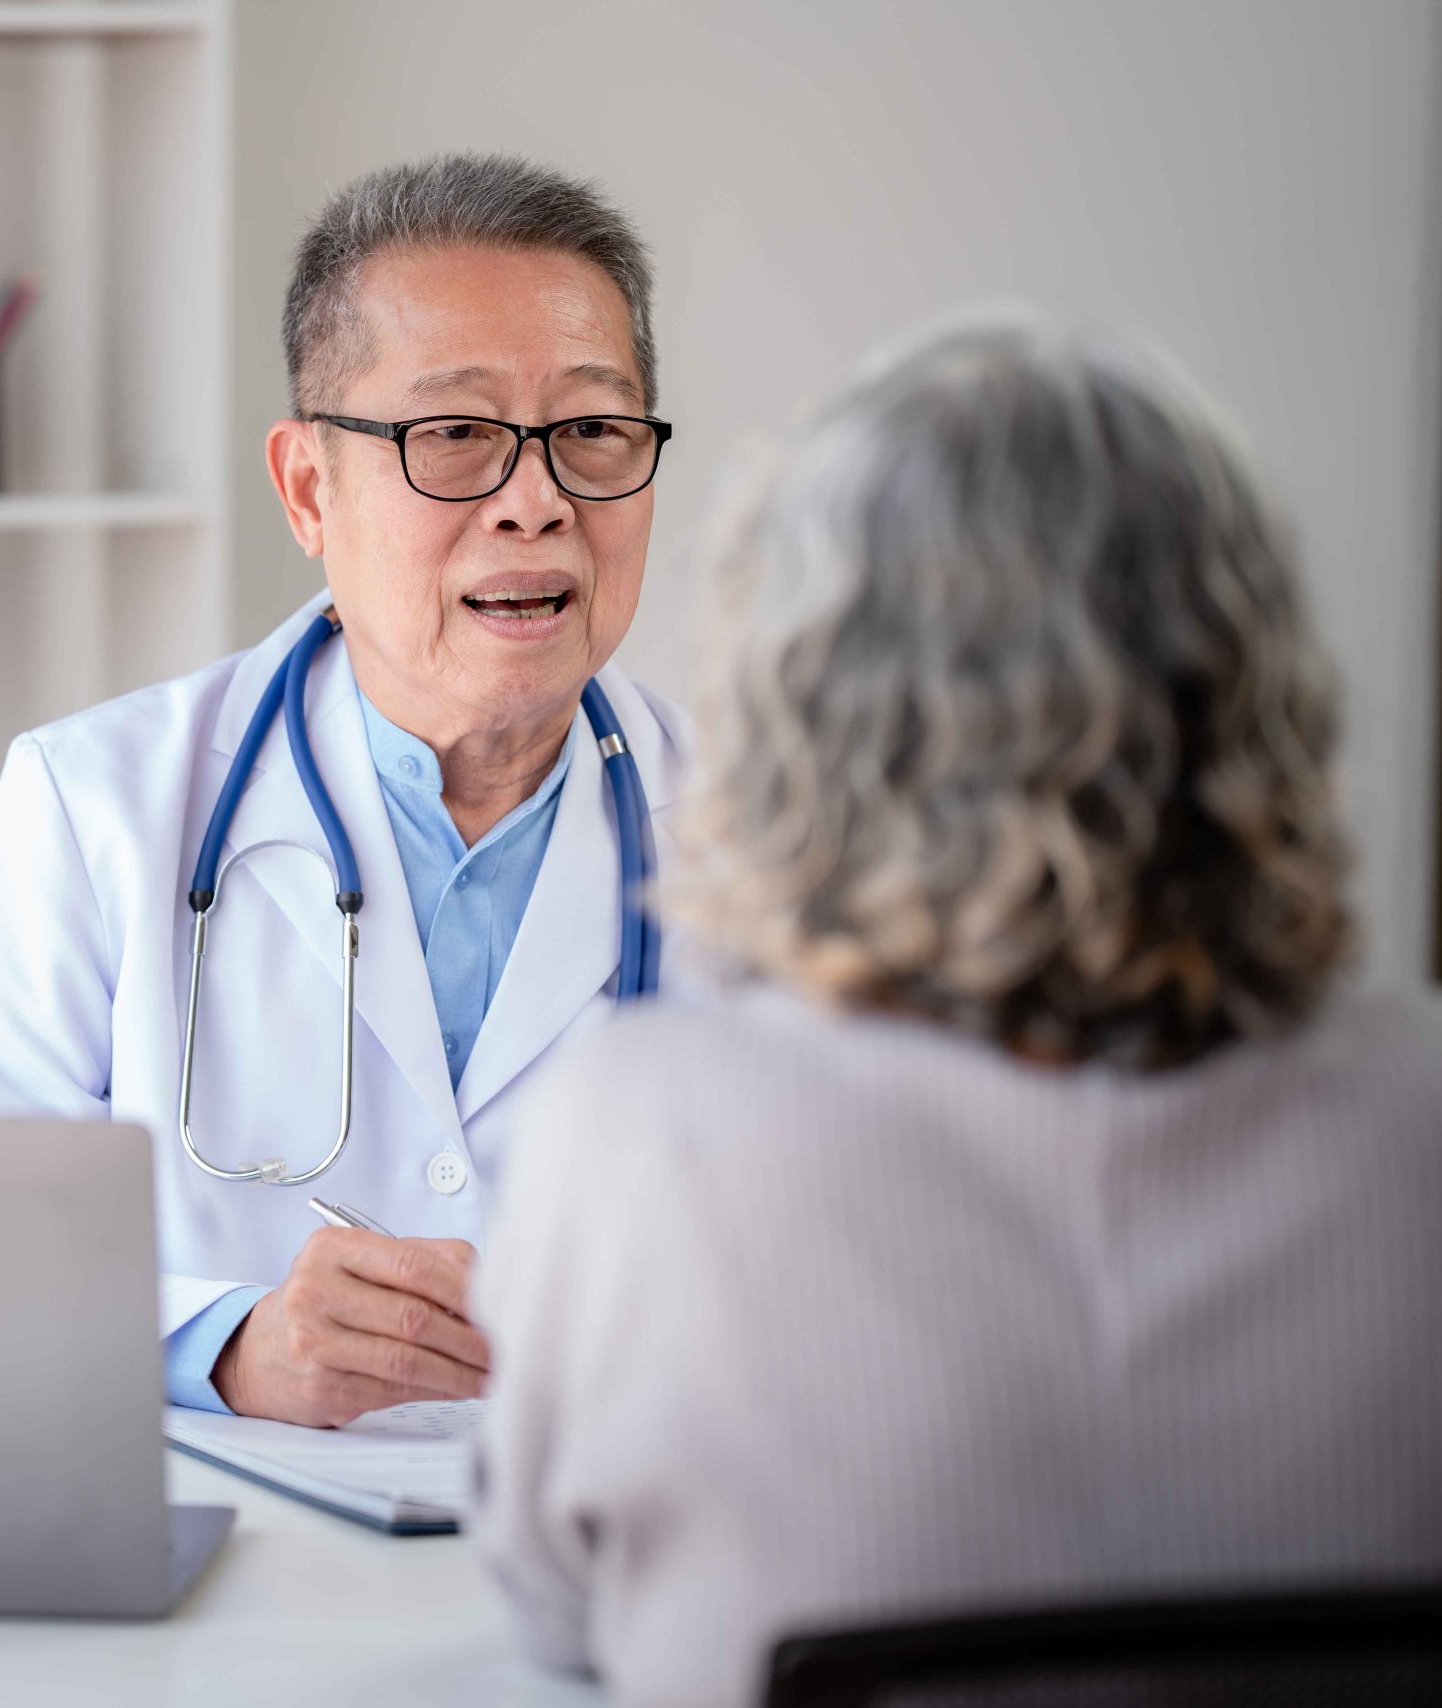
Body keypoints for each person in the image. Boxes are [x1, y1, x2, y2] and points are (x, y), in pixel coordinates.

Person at [470, 316, 1442, 1705]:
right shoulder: (1419, 1116)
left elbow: (555, 1614)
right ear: (1249, 675)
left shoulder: (641, 1130)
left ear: (806, 703)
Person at [0, 153, 691, 1427]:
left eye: (592, 431)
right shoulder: (93, 804)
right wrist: (223, 1347)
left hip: (631, 1520)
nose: (536, 503)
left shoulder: (778, 840)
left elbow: (877, 1268)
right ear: (309, 489)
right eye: (454, 436)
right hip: (238, 1534)